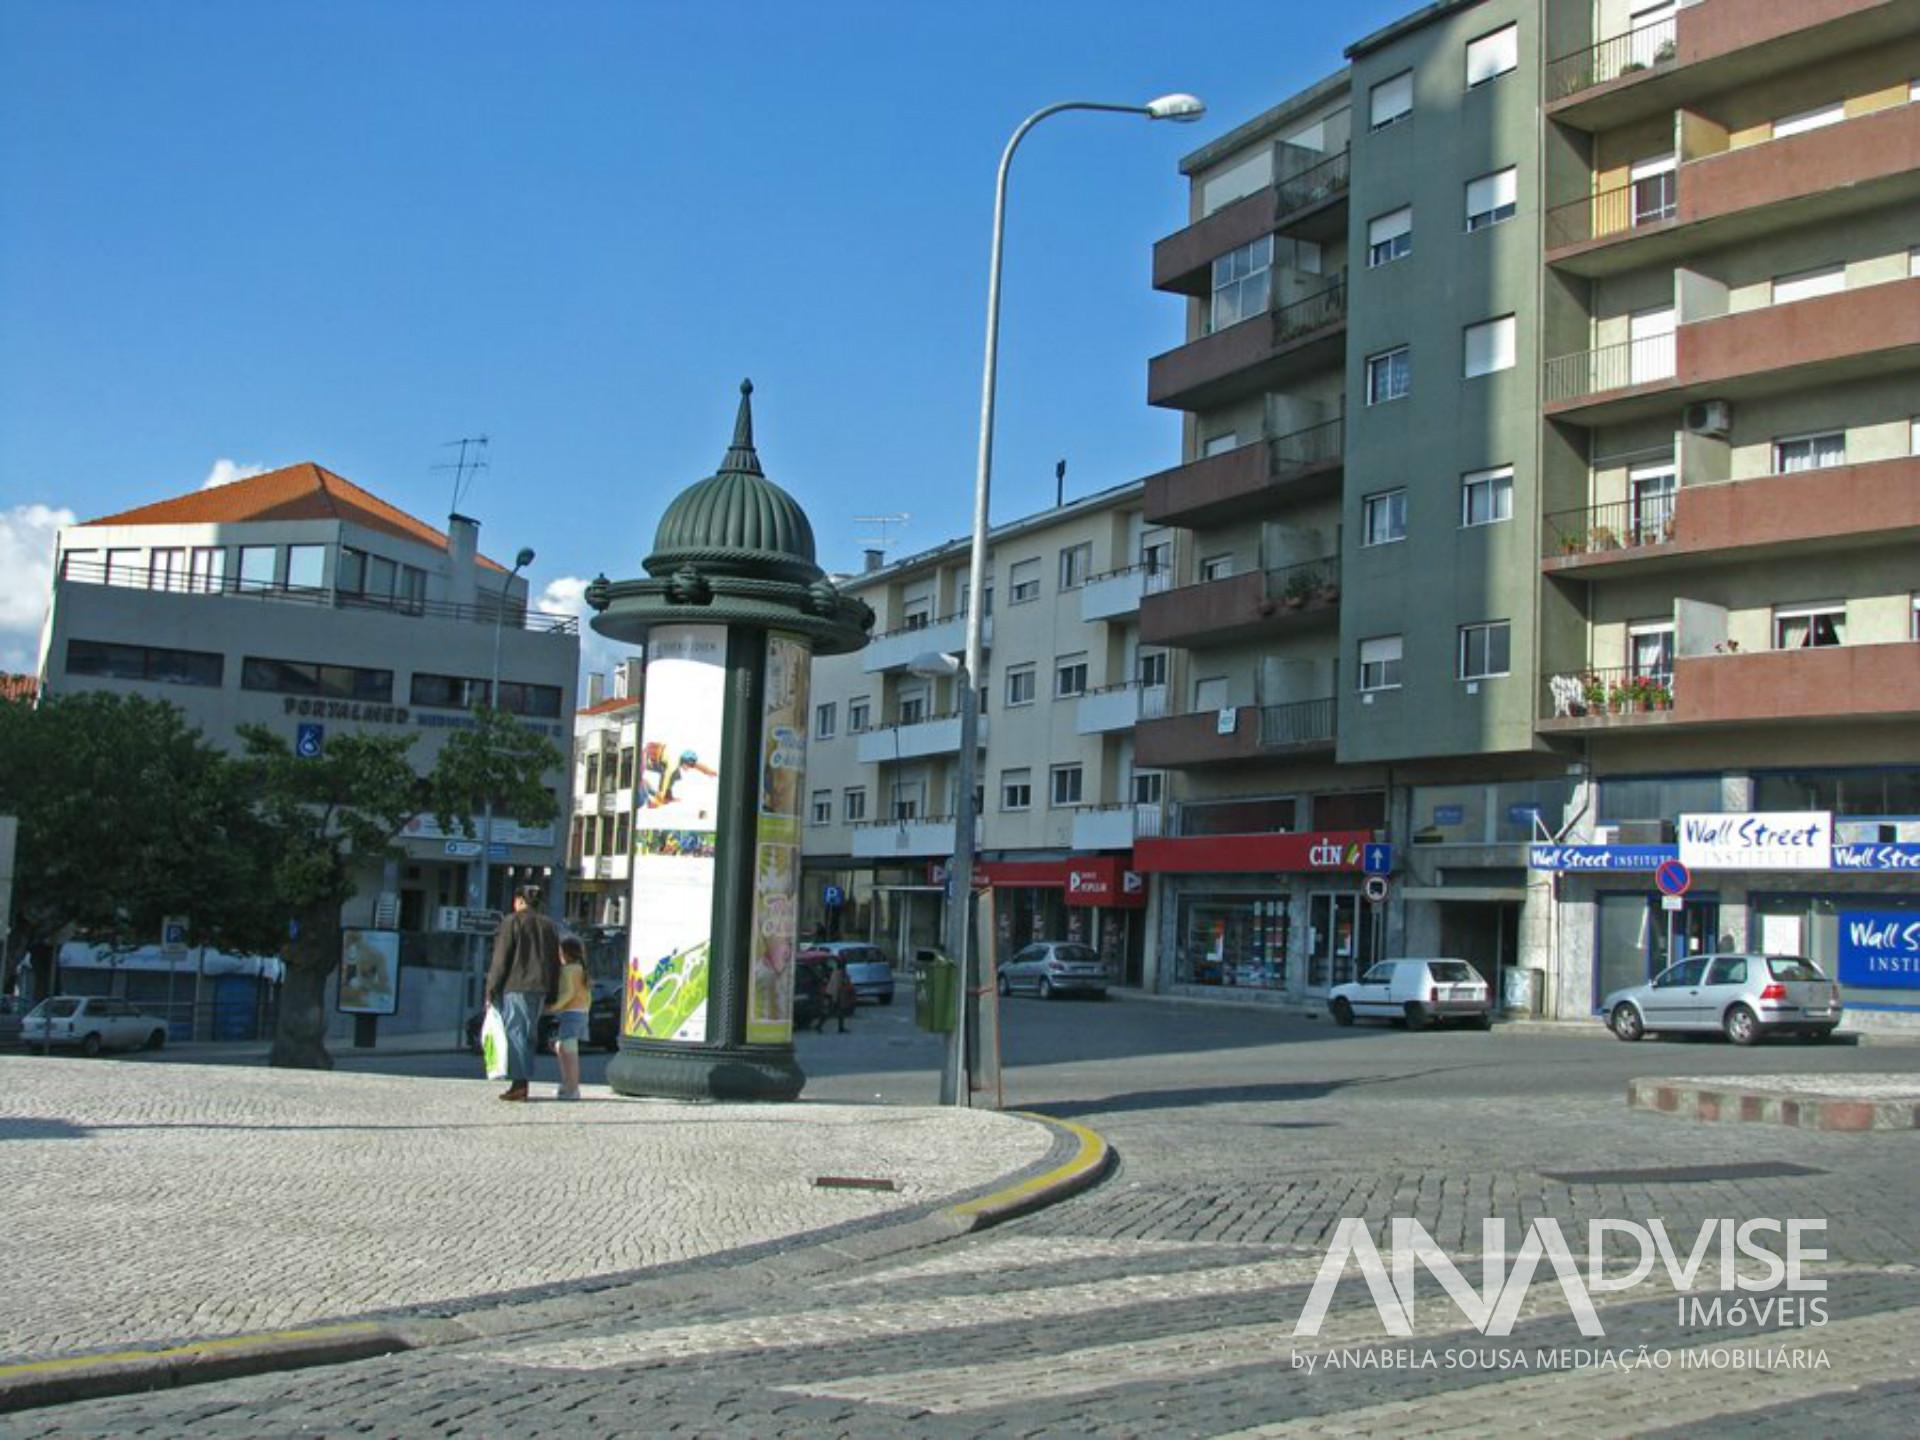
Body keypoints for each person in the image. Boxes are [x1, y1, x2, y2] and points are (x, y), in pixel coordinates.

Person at [486, 884, 561, 1102]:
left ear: (519, 901)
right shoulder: (549, 925)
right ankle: (521, 1081)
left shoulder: (512, 922)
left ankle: (519, 1084)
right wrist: (553, 992)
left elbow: (501, 958)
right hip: (540, 988)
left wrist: (491, 988)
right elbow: (555, 962)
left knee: (516, 1034)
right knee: (528, 1035)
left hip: (516, 986)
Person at [545, 934, 591, 1101]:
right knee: (562, 1048)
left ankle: (572, 1087)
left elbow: (568, 992)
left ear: (565, 954)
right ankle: (567, 1085)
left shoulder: (567, 970)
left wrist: (554, 1007)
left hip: (570, 1013)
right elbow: (587, 995)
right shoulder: (582, 970)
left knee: (569, 1054)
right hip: (582, 1013)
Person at [825, 960, 856, 1034]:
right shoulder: (838, 974)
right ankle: (820, 1025)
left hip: (837, 994)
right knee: (832, 1011)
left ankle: (840, 1027)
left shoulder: (839, 973)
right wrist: (835, 998)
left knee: (839, 1012)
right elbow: (836, 986)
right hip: (835, 994)